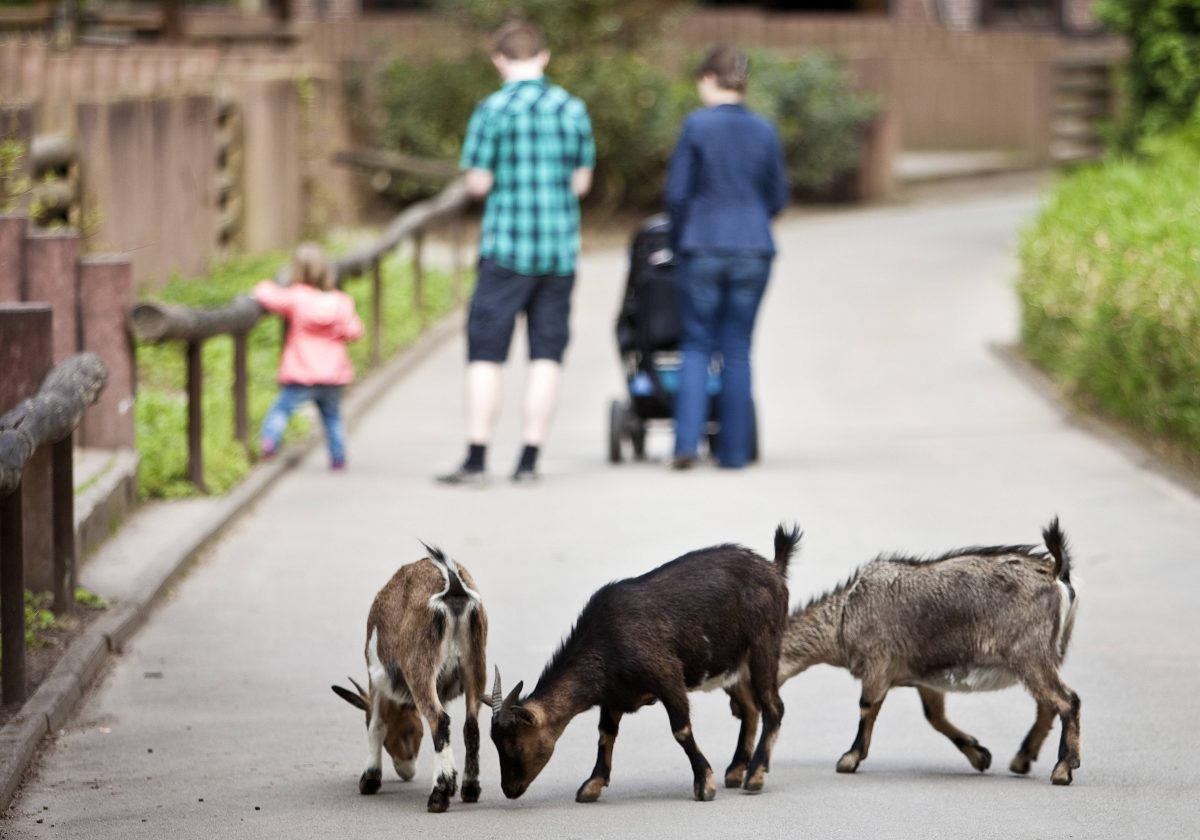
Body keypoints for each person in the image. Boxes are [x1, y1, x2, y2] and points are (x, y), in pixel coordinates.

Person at [437, 19, 595, 485]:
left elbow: (479, 182)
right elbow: (582, 183)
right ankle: (528, 459)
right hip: (558, 252)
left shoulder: (492, 109)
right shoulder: (572, 109)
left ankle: (477, 457)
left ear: (498, 59)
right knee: (546, 354)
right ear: (543, 57)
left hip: (505, 248)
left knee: (486, 354)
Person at [664, 45, 789, 470]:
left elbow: (677, 194)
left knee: (697, 345)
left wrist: (682, 237)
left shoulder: (696, 126)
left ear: (707, 79)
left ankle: (685, 444)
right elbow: (778, 195)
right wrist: (753, 223)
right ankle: (734, 453)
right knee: (737, 348)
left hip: (701, 246)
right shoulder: (764, 129)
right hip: (753, 249)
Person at [255, 243, 364, 471]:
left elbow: (269, 297)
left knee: (282, 409)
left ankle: (269, 441)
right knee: (332, 416)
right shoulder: (341, 302)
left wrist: (263, 286)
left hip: (301, 372)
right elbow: (355, 332)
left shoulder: (298, 298)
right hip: (333, 375)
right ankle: (338, 456)